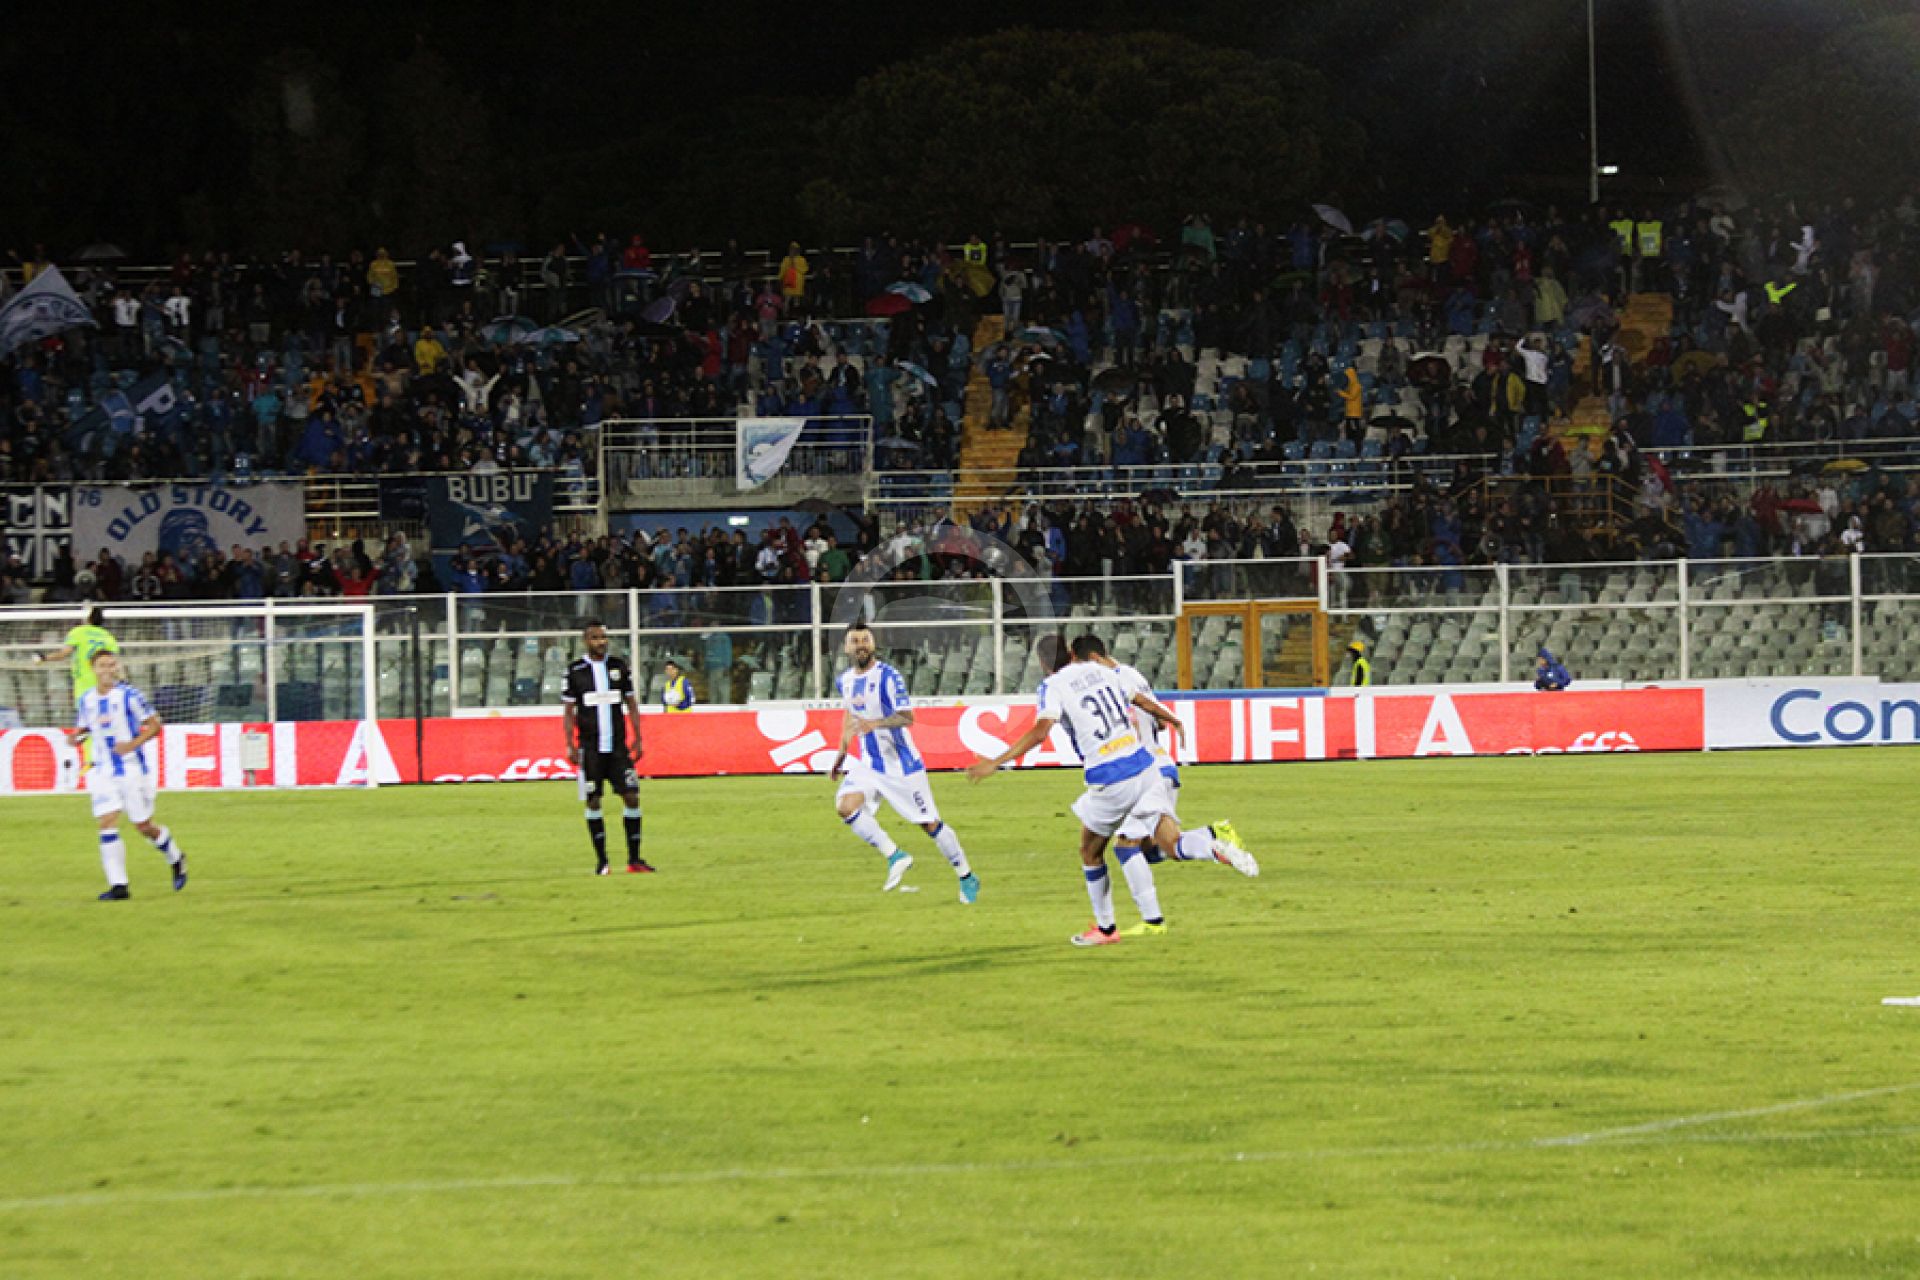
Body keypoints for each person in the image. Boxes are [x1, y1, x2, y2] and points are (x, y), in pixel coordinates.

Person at [966, 634, 1170, 946]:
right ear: (1072, 653)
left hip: (1111, 776)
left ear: (1042, 663)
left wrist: (996, 762)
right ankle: (1209, 841)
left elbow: (1040, 732)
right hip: (1144, 766)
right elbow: (1141, 700)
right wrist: (1171, 719)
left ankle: (1106, 929)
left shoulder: (1053, 686)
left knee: (1091, 851)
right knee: (1162, 841)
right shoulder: (1101, 670)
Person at [1073, 635, 1257, 876]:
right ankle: (1213, 834)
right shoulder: (1133, 674)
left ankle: (1211, 851)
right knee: (1152, 849)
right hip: (1163, 766)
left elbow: (1132, 723)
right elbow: (1159, 722)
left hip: (1142, 772)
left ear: (1094, 660)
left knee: (1127, 844)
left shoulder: (1110, 683)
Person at [827, 625, 979, 903]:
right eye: (855, 641)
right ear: (846, 648)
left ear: (873, 644)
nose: (861, 645)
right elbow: (850, 714)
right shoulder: (845, 680)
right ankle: (895, 855)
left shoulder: (888, 676)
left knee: (929, 824)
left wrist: (876, 723)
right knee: (845, 806)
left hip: (901, 765)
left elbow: (907, 717)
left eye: (865, 639)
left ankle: (966, 875)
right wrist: (841, 753)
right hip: (870, 763)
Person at [75, 652, 186, 900]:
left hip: (132, 769)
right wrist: (76, 738)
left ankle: (176, 857)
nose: (107, 670)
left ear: (117, 668)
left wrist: (132, 745)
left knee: (144, 826)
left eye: (111, 665)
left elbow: (155, 725)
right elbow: (84, 729)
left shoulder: (130, 696)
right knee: (107, 821)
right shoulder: (86, 700)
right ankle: (119, 886)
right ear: (94, 669)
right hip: (102, 770)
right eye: (102, 666)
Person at [561, 620, 654, 876]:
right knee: (593, 801)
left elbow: (631, 703)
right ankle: (602, 862)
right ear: (585, 641)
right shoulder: (575, 671)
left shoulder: (618, 667)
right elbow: (568, 711)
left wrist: (638, 737)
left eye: (603, 637)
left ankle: (634, 859)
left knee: (632, 796)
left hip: (617, 749)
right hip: (590, 749)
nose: (601, 642)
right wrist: (569, 743)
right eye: (595, 638)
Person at [35, 606, 119, 705]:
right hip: (103, 682)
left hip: (83, 683)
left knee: (85, 712)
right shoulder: (108, 636)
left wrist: (44, 657)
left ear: (88, 619)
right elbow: (114, 662)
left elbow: (63, 654)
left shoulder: (78, 632)